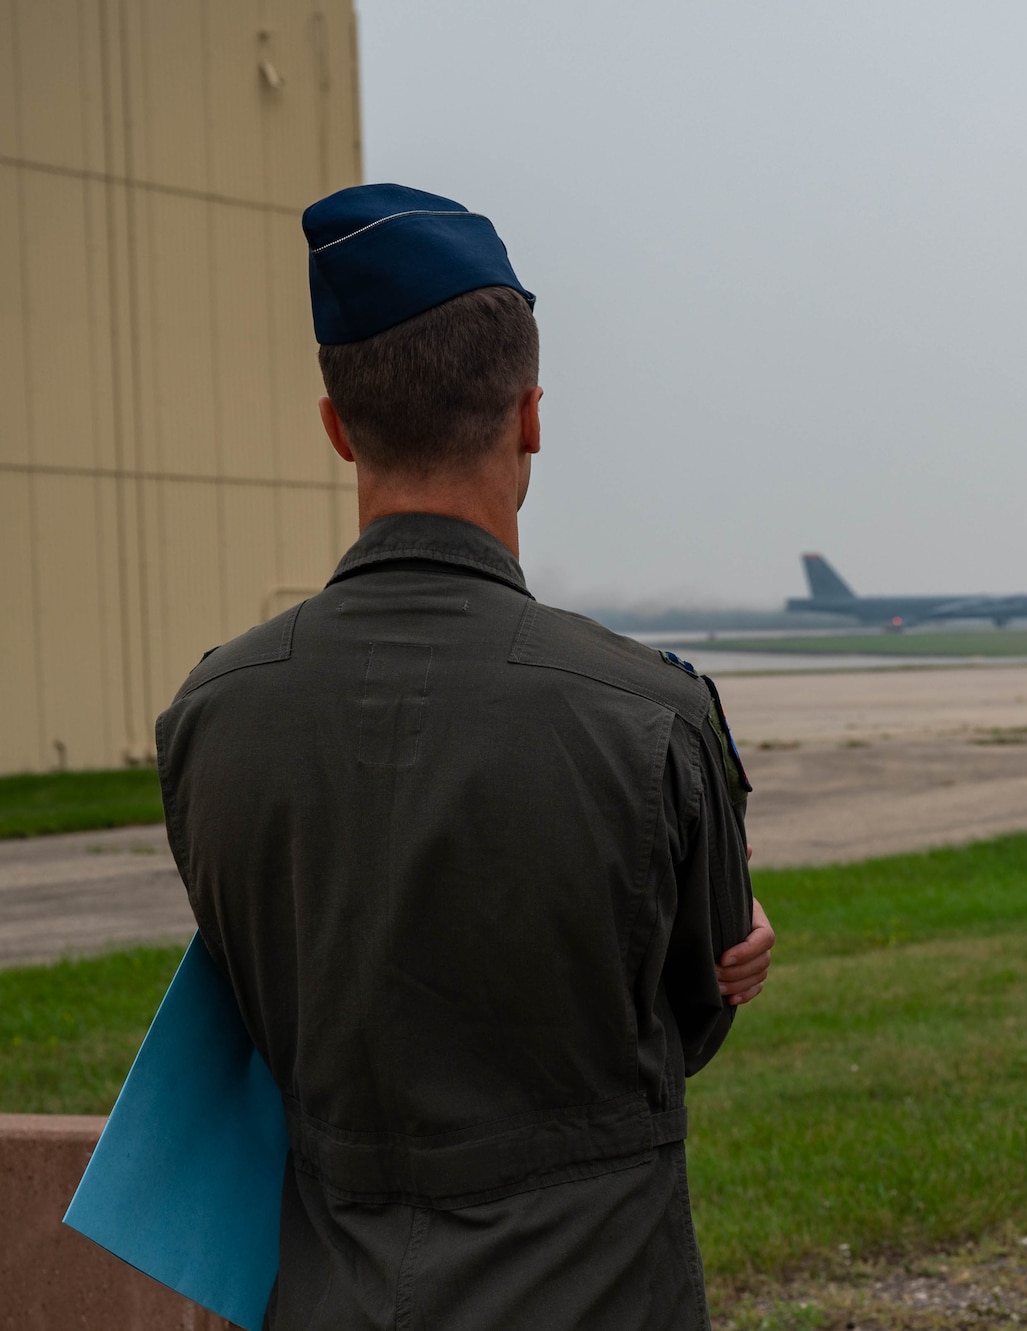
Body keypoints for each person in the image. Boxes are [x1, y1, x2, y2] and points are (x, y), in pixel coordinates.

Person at [155, 183, 774, 1330]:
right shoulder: (652, 715)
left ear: (338, 426)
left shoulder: (212, 712)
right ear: (530, 414)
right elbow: (691, 1019)